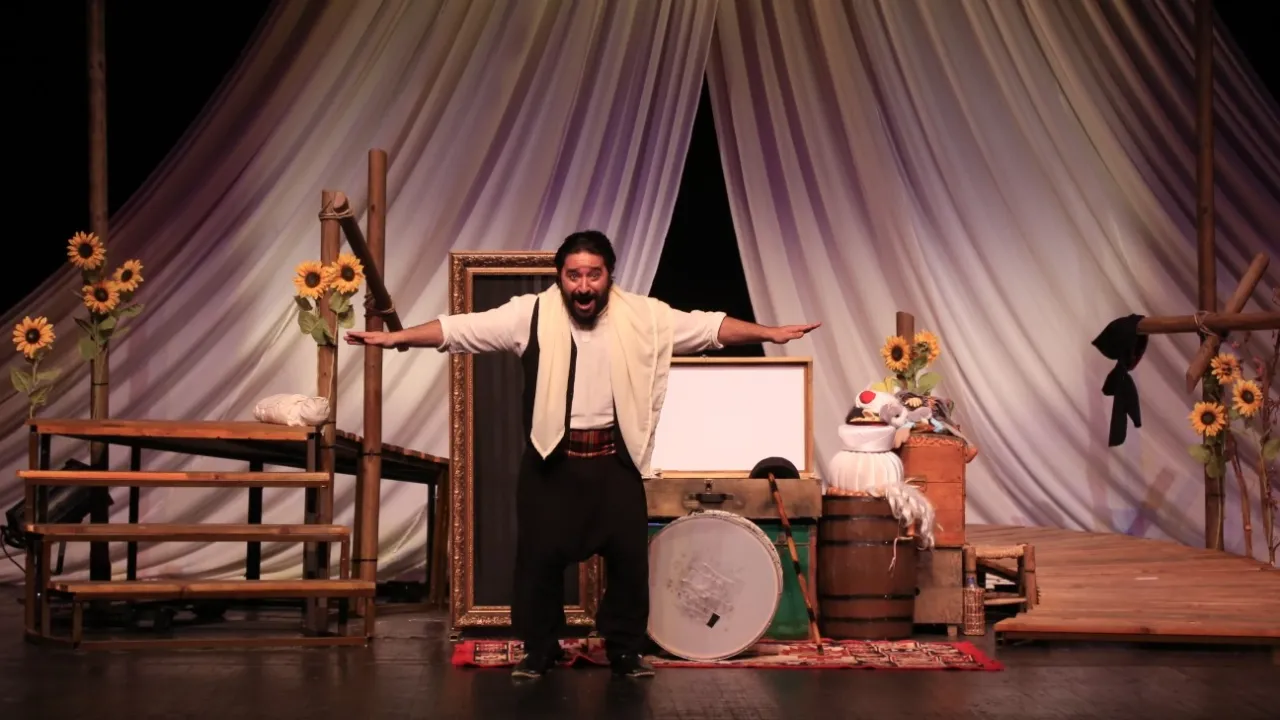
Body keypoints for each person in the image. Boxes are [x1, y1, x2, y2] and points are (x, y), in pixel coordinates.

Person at [345, 231, 820, 679]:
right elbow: (461, 329)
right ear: (560, 277)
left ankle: (625, 650)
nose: (584, 286)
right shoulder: (531, 314)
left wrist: (770, 332)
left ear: (610, 275)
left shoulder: (645, 318)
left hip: (614, 461)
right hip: (552, 461)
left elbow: (709, 326)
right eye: (574, 275)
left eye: (594, 274)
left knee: (629, 563)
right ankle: (539, 648)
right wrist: (397, 338)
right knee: (538, 562)